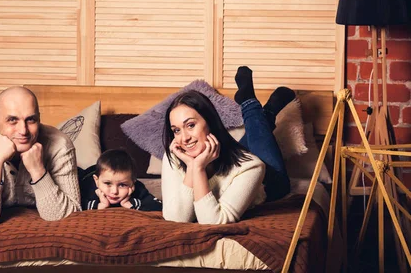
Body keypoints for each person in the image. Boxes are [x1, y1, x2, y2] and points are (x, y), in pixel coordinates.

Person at [162, 66, 295, 225]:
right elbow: (175, 220)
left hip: (271, 183)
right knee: (254, 137)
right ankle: (265, 112)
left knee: (257, 158)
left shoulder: (251, 166)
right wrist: (193, 167)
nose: (184, 138)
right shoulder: (174, 156)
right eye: (176, 130)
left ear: (210, 123)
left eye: (190, 125)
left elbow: (213, 222)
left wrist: (198, 168)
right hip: (231, 156)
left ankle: (250, 103)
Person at [0, 86, 81, 228]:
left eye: (31, 120)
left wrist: (38, 170)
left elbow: (69, 216)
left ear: (39, 119)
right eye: (12, 120)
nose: (23, 130)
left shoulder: (60, 145)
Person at [79, 149, 162, 211]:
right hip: (87, 174)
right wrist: (100, 206)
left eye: (122, 185)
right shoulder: (89, 188)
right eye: (108, 183)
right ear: (96, 181)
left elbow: (158, 207)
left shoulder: (138, 188)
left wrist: (129, 204)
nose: (114, 191)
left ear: (133, 183)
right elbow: (76, 207)